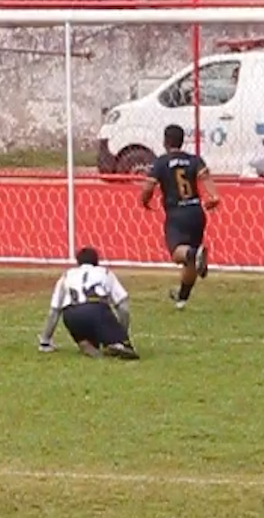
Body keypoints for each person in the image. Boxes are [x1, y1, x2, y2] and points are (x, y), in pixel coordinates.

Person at [138, 124, 220, 308]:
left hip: (176, 214)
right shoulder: (194, 160)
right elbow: (205, 177)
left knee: (178, 254)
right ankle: (182, 298)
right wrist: (214, 196)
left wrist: (144, 201)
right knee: (191, 260)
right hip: (196, 213)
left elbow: (148, 187)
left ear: (165, 142)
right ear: (182, 141)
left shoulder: (161, 162)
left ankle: (193, 254)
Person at [36, 246, 138, 359]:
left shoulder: (67, 275)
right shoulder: (105, 272)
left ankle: (84, 341)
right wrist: (121, 332)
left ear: (78, 262)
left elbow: (54, 312)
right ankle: (117, 343)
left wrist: (45, 341)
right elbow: (123, 307)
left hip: (71, 314)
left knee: (85, 329)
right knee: (127, 349)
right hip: (96, 310)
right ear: (97, 261)